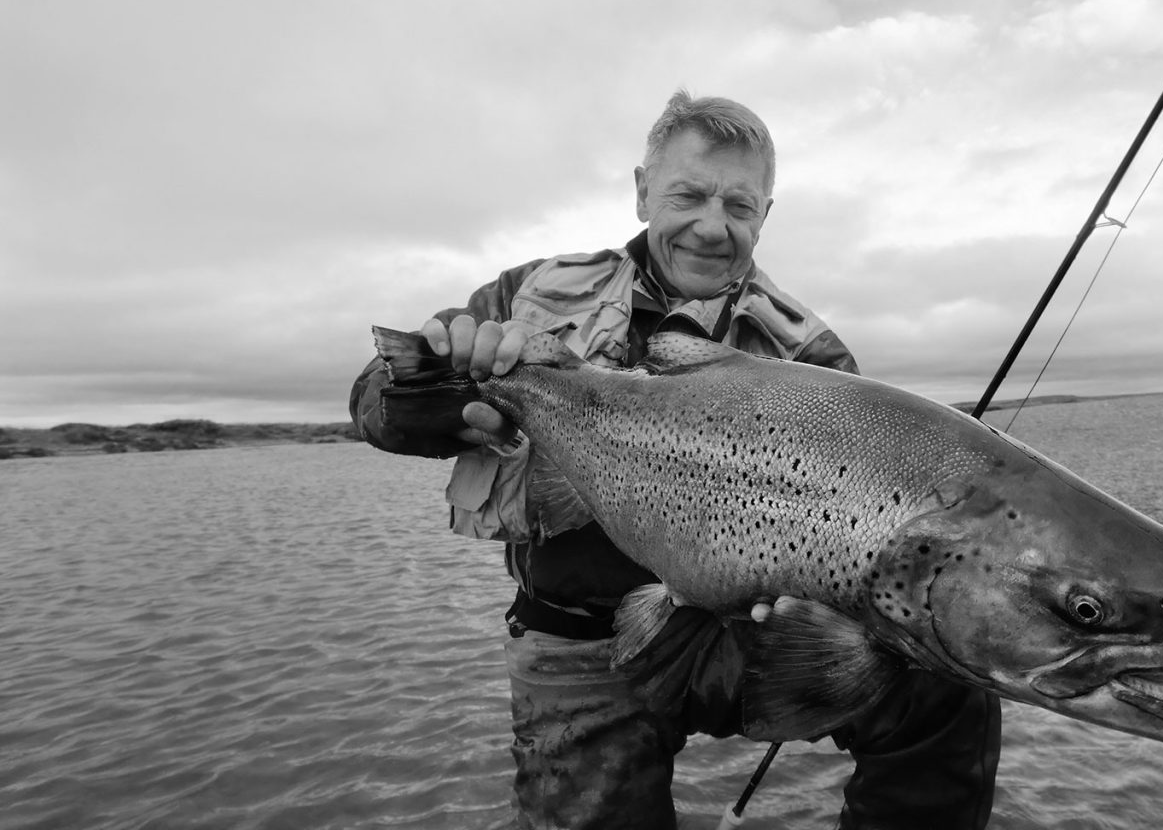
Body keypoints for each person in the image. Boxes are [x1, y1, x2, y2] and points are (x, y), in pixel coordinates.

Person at [351, 90, 1000, 829]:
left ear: (765, 215)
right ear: (641, 193)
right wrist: (435, 398)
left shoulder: (813, 360)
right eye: (688, 195)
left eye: (739, 205)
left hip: (732, 636)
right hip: (575, 639)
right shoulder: (523, 297)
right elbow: (375, 405)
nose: (712, 226)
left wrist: (828, 607)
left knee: (946, 688)